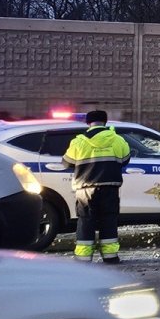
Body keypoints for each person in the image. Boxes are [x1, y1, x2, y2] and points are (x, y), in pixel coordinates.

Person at [63, 110, 131, 264]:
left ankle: (84, 258)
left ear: (88, 123)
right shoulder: (117, 140)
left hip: (85, 189)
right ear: (105, 122)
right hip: (110, 187)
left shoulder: (78, 142)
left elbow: (67, 162)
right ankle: (110, 256)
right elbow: (125, 159)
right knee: (109, 220)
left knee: (86, 221)